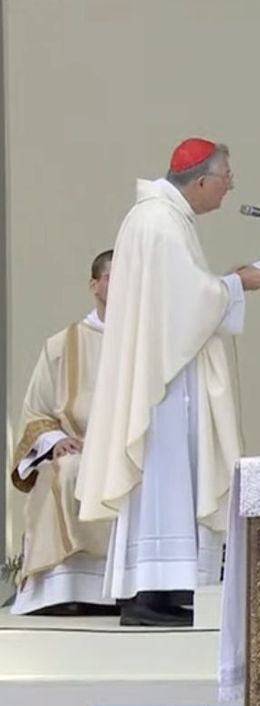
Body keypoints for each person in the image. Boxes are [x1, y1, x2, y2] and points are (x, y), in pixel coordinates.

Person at [75, 138, 260, 626]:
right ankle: (149, 595)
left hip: (163, 371)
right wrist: (234, 284)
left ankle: (162, 590)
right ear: (201, 180)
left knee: (168, 481)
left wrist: (219, 287)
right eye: (227, 179)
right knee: (163, 477)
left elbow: (178, 297)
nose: (229, 188)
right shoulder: (160, 222)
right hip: (162, 386)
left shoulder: (159, 217)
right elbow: (189, 303)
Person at [8, 250, 118, 616]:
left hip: (132, 452)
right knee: (68, 470)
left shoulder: (147, 345)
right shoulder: (63, 344)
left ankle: (128, 590)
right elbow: (35, 412)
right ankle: (65, 588)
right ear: (95, 285)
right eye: (113, 277)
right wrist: (57, 441)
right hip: (78, 450)